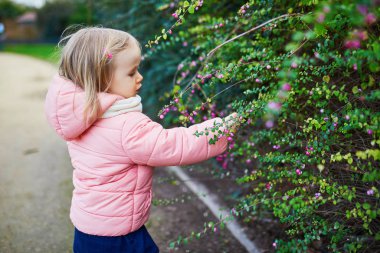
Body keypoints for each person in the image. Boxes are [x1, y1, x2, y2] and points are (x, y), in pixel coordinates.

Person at [44, 26, 238, 253]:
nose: (139, 77)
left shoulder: (81, 116)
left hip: (87, 230)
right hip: (118, 238)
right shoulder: (126, 126)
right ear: (101, 78)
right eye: (131, 73)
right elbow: (171, 144)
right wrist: (219, 130)